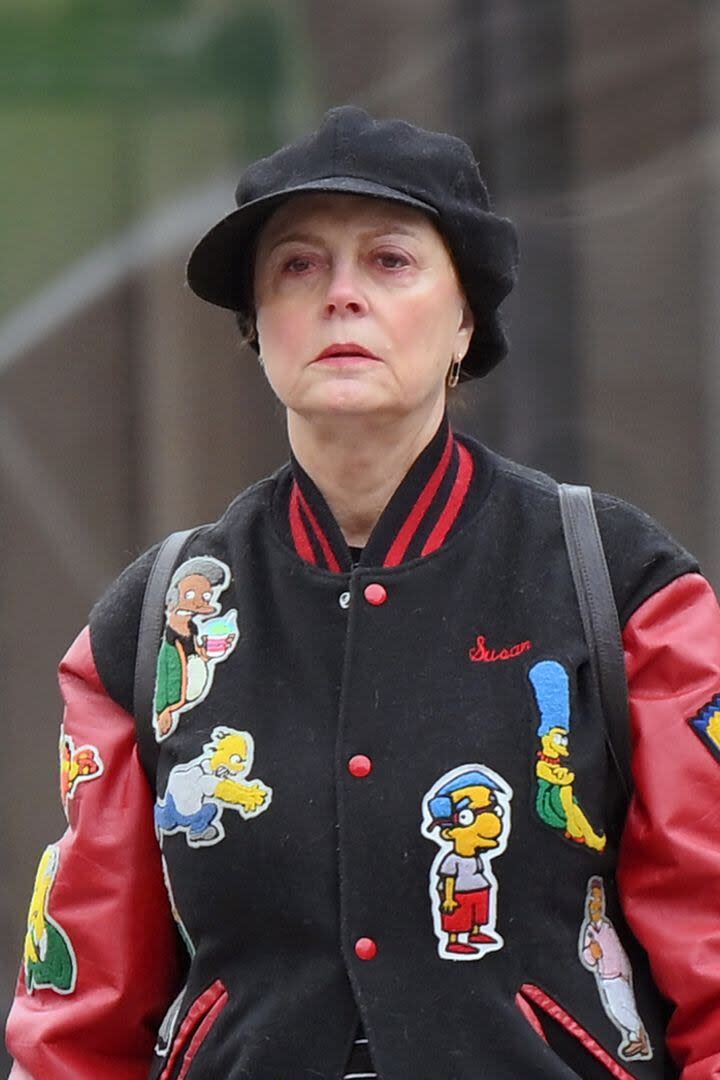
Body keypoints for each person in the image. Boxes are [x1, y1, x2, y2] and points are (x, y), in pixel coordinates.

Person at [5, 105, 720, 1079]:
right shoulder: (159, 621)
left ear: (466, 317)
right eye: (298, 266)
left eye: (390, 261)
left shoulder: (620, 583)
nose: (342, 296)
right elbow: (77, 1011)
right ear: (257, 328)